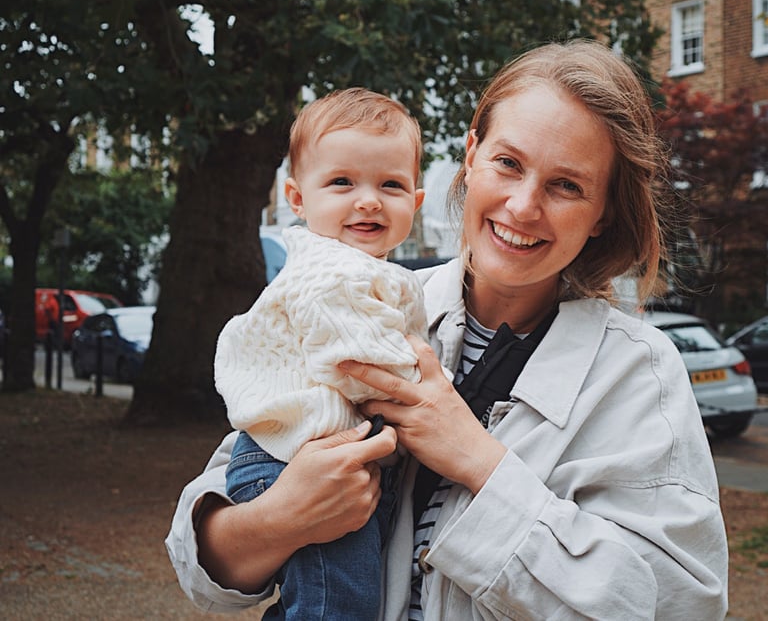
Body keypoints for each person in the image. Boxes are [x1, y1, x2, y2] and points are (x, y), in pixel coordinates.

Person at [166, 39, 730, 620]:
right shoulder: (371, 306)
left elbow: (679, 606)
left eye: (566, 185)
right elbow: (202, 564)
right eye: (507, 163)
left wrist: (478, 461)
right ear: (470, 154)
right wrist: (280, 517)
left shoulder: (639, 373)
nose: (522, 206)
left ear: (603, 212)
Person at [212, 87, 427, 620]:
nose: (369, 199)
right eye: (342, 183)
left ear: (416, 203)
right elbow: (359, 367)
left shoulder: (364, 269)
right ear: (297, 198)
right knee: (338, 604)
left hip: (312, 455)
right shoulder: (332, 271)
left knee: (330, 597)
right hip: (288, 464)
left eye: (391, 185)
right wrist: (424, 383)